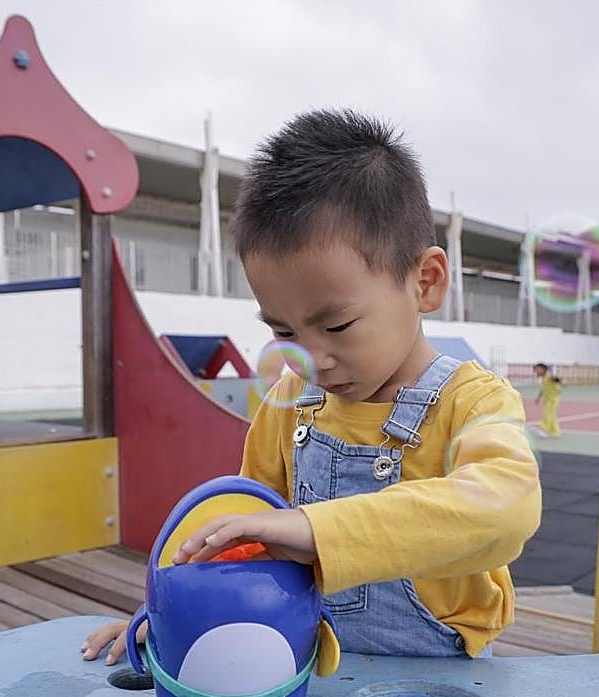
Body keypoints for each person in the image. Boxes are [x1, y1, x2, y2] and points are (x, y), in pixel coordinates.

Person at [82, 109, 541, 664]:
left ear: (424, 282)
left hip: (436, 688)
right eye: (282, 330)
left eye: (337, 325)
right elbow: (240, 534)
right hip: (301, 666)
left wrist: (311, 528)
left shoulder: (472, 402)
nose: (312, 358)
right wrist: (168, 614)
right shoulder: (290, 404)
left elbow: (505, 509)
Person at [533, 362, 561, 436]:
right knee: (552, 415)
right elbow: (543, 389)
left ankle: (544, 429)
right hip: (547, 400)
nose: (536, 372)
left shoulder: (548, 376)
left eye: (538, 369)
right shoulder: (543, 378)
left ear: (544, 369)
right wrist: (538, 398)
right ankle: (555, 432)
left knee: (547, 414)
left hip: (553, 400)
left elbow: (556, 379)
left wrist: (558, 380)